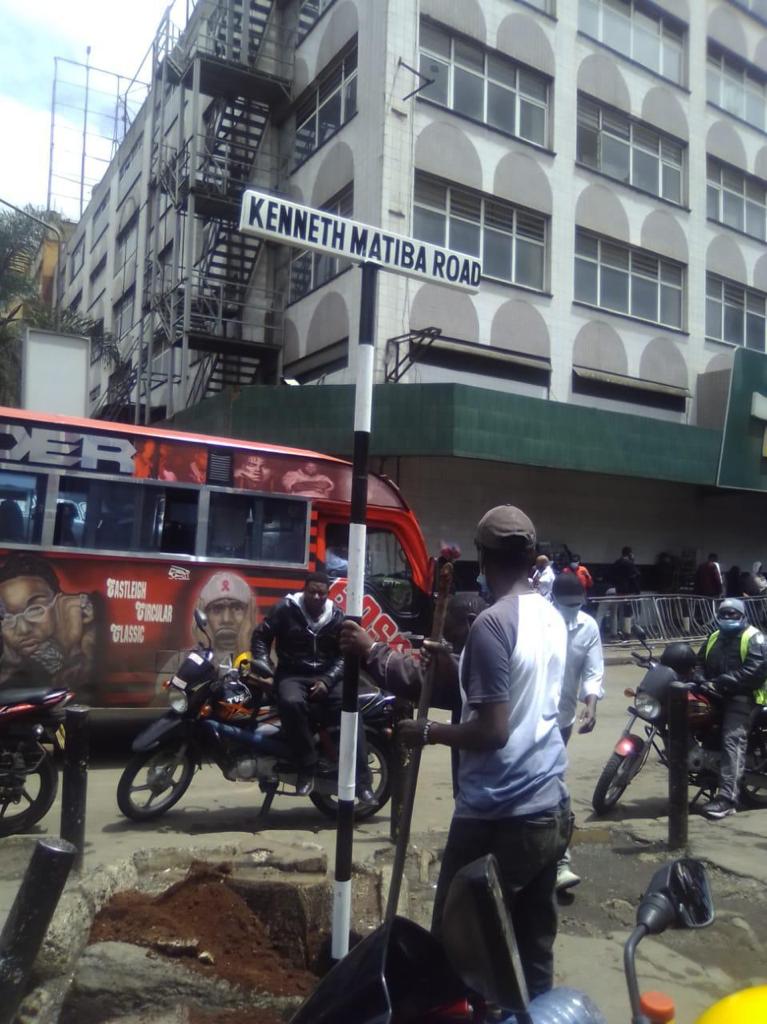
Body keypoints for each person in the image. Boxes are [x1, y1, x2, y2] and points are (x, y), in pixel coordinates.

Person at [398, 505, 570, 1000]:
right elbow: (518, 696)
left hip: (500, 815)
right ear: (532, 558)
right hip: (549, 809)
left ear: (482, 557)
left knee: (459, 940)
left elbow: (493, 730)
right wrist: (454, 661)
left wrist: (427, 731)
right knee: (533, 946)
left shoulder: (492, 624)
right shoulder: (551, 616)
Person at [339, 593, 487, 795]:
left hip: (485, 792)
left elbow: (417, 679)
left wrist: (371, 649)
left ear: (470, 622)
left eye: (449, 630)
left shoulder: (483, 658)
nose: (446, 637)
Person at [250, 571, 374, 802]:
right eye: (312, 592)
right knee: (290, 702)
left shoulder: (336, 616)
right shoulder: (285, 609)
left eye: (322, 593)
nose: (317, 597)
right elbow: (261, 636)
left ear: (327, 594)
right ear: (304, 590)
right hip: (292, 674)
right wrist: (263, 662)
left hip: (327, 675)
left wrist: (327, 680)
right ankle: (306, 767)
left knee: (351, 709)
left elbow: (344, 655)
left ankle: (363, 782)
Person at [551, 573, 604, 892]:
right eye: (567, 605)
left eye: (578, 605)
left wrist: (592, 704)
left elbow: (594, 670)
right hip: (528, 719)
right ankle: (557, 859)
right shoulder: (540, 622)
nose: (573, 611)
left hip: (564, 719)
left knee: (553, 783)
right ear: (554, 601)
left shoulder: (588, 627)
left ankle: (558, 859)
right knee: (549, 784)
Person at [697, 598, 767, 821]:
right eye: (724, 614)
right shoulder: (714, 636)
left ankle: (728, 800)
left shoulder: (754, 637)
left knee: (732, 739)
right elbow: (698, 661)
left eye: (732, 614)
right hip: (715, 693)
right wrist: (698, 676)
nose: (727, 618)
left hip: (744, 696)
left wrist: (729, 680)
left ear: (742, 616)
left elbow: (757, 669)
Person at [0, 552, 98, 697]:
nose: (23, 629)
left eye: (35, 610)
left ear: (59, 604)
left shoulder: (88, 647)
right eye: (7, 617)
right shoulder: (9, 668)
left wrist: (75, 649)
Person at [196, 571, 256, 662]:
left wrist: (244, 651)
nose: (226, 619)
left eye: (237, 608)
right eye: (217, 609)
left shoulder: (266, 658)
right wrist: (205, 652)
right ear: (204, 614)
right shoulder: (183, 660)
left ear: (249, 614)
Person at [611, 545, 641, 636]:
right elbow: (636, 576)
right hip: (628, 590)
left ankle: (616, 631)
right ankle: (627, 632)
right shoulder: (629, 564)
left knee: (618, 611)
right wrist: (637, 590)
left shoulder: (616, 563)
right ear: (630, 554)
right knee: (628, 612)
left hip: (618, 590)